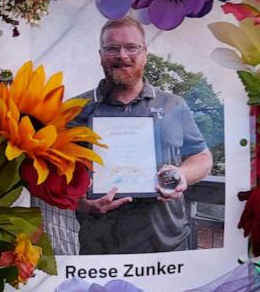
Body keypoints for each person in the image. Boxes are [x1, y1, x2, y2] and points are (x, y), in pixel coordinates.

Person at [70, 17, 213, 255]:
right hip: (101, 249)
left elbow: (202, 156)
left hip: (168, 245)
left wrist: (181, 174)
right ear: (101, 54)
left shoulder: (173, 105)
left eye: (131, 47)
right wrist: (81, 203)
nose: (122, 56)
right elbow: (53, 174)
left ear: (144, 53)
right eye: (112, 48)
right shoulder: (75, 109)